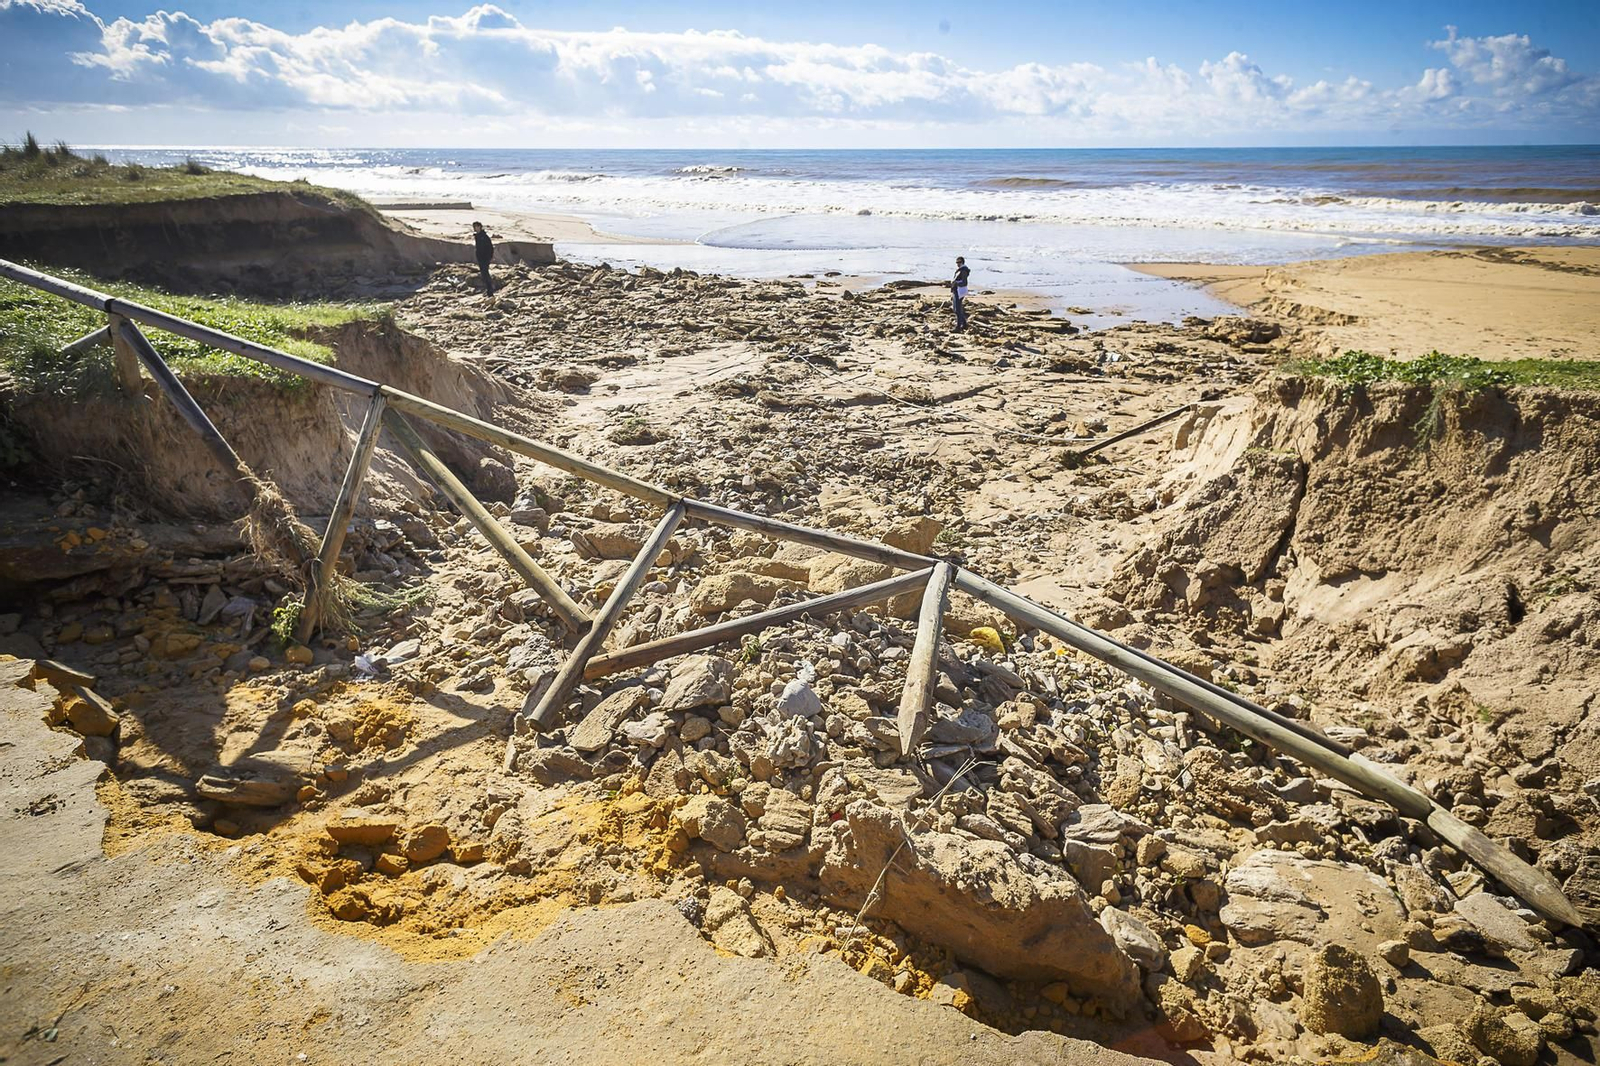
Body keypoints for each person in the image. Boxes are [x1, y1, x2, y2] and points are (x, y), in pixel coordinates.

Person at [472, 221, 495, 298]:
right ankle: (488, 290)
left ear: (479, 227)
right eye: (474, 227)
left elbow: (490, 248)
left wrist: (489, 257)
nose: (475, 228)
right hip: (480, 258)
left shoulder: (484, 237)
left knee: (485, 274)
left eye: (476, 227)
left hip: (485, 258)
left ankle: (490, 291)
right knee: (483, 274)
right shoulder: (478, 236)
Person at [951, 255, 970, 332]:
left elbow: (965, 282)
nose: (957, 264)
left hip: (959, 291)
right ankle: (964, 324)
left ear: (962, 262)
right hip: (956, 291)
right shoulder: (959, 270)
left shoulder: (963, 270)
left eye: (959, 262)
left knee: (957, 309)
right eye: (956, 262)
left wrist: (956, 283)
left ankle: (958, 326)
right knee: (956, 309)